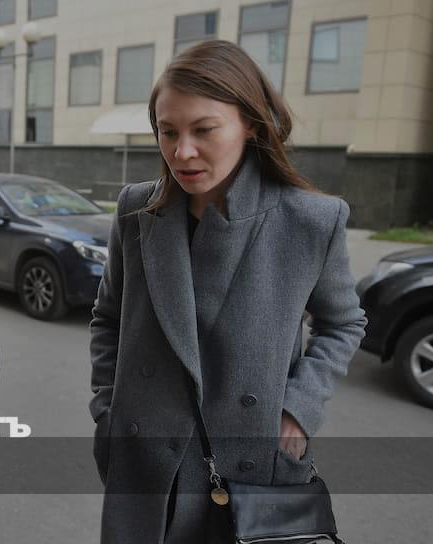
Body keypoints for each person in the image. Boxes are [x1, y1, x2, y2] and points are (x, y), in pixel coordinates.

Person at [89, 40, 367, 543]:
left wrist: (299, 408)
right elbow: (108, 318)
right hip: (142, 457)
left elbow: (344, 322)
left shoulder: (311, 220)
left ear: (251, 124)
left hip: (249, 464)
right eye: (168, 131)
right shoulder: (136, 211)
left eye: (204, 129)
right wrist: (108, 410)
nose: (182, 152)